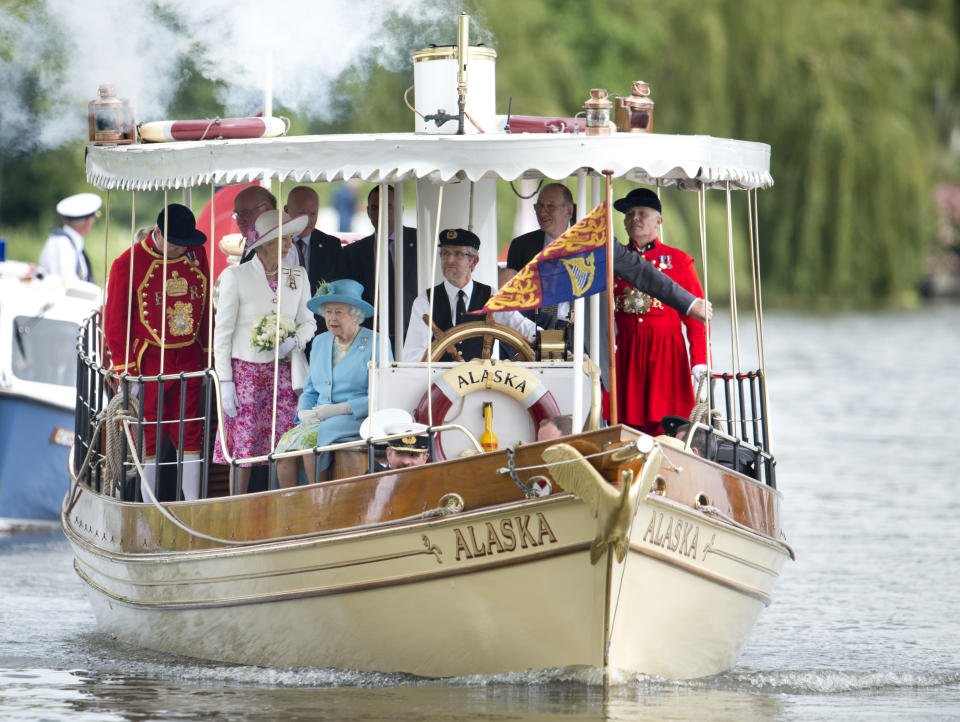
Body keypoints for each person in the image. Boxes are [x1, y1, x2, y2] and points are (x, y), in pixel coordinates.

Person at [103, 204, 210, 500]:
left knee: (190, 431)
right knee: (148, 433)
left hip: (188, 356)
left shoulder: (195, 253)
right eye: (176, 244)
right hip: (147, 360)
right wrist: (127, 372)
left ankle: (192, 503)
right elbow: (115, 323)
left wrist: (206, 357)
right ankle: (148, 504)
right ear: (159, 233)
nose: (181, 250)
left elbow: (204, 311)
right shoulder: (127, 264)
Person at [213, 211, 317, 494]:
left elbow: (309, 321)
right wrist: (225, 381)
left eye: (290, 239)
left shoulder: (297, 275)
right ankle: (237, 509)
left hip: (286, 373)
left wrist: (295, 341)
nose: (288, 245)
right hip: (246, 374)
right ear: (265, 243)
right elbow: (221, 335)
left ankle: (286, 506)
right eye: (282, 239)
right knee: (244, 450)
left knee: (286, 443)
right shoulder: (235, 276)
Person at [275, 279, 392, 486]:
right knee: (284, 448)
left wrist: (340, 409)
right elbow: (311, 388)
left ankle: (318, 501)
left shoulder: (377, 342)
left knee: (309, 444)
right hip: (320, 417)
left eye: (339, 312)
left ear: (356, 316)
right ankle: (289, 508)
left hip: (357, 418)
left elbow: (384, 393)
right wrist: (303, 411)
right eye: (328, 312)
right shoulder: (321, 341)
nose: (331, 318)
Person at [611, 187, 707, 436]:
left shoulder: (679, 261)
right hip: (627, 354)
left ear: (659, 221)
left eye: (642, 213)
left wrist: (699, 361)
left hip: (665, 357)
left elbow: (696, 319)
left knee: (666, 425)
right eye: (630, 214)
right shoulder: (613, 260)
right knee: (624, 424)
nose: (635, 219)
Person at [402, 228, 538, 362]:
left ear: (474, 261)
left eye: (458, 254)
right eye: (445, 253)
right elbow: (413, 356)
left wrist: (548, 338)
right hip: (437, 381)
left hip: (481, 383)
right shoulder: (425, 300)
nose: (449, 260)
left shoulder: (490, 296)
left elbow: (526, 330)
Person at [339, 185, 418, 351]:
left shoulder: (421, 241)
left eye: (388, 206)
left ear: (400, 209)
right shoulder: (352, 253)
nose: (381, 213)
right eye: (375, 208)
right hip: (370, 340)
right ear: (368, 212)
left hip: (414, 336)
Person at [506, 183, 575, 328]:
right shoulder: (521, 246)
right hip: (535, 332)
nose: (542, 213)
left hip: (580, 332)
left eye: (550, 206)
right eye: (539, 206)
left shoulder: (590, 244)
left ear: (568, 211)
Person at [282, 186, 342, 295]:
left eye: (313, 214)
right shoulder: (272, 243)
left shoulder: (332, 246)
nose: (308, 221)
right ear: (286, 211)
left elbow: (338, 288)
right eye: (301, 214)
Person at [38, 192, 101, 282]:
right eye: (93, 218)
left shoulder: (62, 240)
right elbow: (69, 284)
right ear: (87, 222)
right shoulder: (64, 244)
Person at [234, 185, 278, 259]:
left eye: (246, 213)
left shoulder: (282, 246)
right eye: (237, 214)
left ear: (267, 209)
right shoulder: (251, 240)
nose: (240, 221)